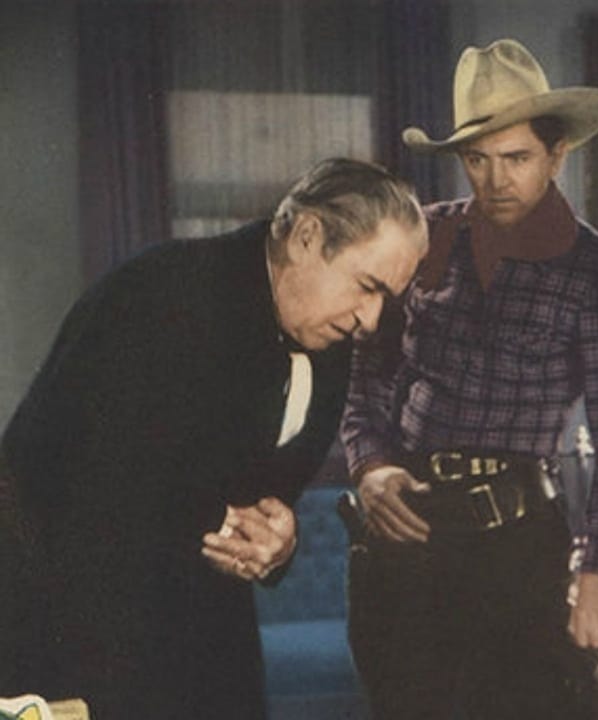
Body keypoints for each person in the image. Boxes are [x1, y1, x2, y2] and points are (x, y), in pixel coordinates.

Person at [0, 158, 427, 720]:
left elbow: (262, 493)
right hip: (76, 637)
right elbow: (78, 481)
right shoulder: (159, 291)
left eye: (386, 299)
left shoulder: (327, 337)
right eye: (367, 286)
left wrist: (279, 539)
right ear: (306, 236)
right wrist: (220, 522)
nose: (370, 320)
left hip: (207, 641)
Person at [340, 39, 598, 719]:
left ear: (556, 155)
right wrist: (370, 467)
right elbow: (363, 380)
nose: (495, 180)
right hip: (404, 542)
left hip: (517, 550)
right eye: (477, 160)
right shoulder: (421, 237)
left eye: (516, 158)